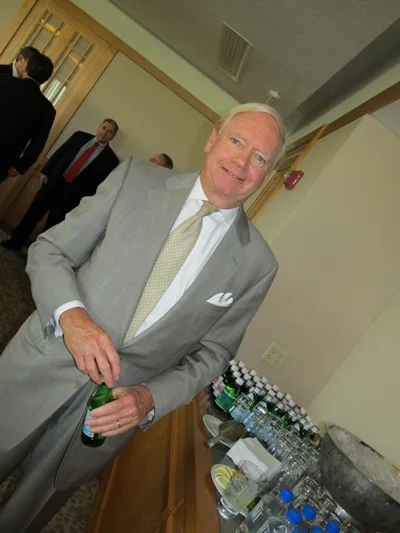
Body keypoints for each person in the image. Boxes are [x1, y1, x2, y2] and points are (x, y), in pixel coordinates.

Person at [0, 102, 286, 532]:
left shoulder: (258, 265)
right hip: (41, 364)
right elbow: (51, 250)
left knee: (25, 514)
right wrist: (72, 317)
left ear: (270, 173)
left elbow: (213, 355)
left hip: (107, 415)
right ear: (213, 139)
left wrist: (149, 398)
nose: (242, 162)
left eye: (260, 157)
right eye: (236, 140)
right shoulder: (136, 178)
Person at [1, 119, 119, 251]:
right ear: (99, 127)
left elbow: (97, 185)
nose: (104, 133)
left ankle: (40, 253)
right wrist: (45, 171)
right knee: (32, 215)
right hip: (53, 182)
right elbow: (60, 152)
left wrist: (83, 202)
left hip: (71, 196)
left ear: (112, 137)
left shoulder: (111, 160)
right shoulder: (79, 136)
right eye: (104, 128)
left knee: (53, 227)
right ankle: (15, 243)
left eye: (109, 132)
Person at [0, 51, 55, 184]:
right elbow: (38, 143)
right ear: (46, 79)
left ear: (26, 68)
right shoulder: (48, 110)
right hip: (3, 161)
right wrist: (20, 167)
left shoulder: (2, 80)